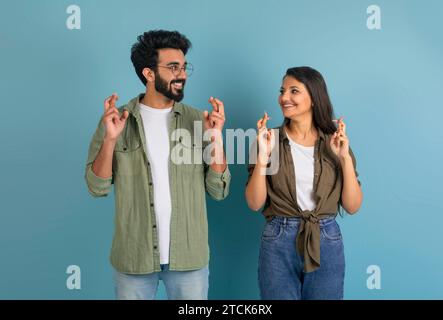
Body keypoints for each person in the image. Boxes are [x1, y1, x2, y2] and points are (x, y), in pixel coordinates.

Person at [84, 30, 231, 300]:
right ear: (149, 74)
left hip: (188, 257)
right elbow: (97, 187)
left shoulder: (199, 120)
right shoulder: (117, 122)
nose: (182, 74)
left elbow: (218, 190)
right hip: (134, 257)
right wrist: (110, 140)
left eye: (184, 67)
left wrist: (216, 139)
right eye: (173, 67)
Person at [245, 66, 363, 300]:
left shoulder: (335, 142)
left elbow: (352, 206)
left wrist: (344, 159)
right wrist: (262, 157)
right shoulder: (268, 140)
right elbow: (254, 203)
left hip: (326, 238)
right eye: (282, 91)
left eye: (294, 91)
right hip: (278, 238)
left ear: (314, 97)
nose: (284, 98)